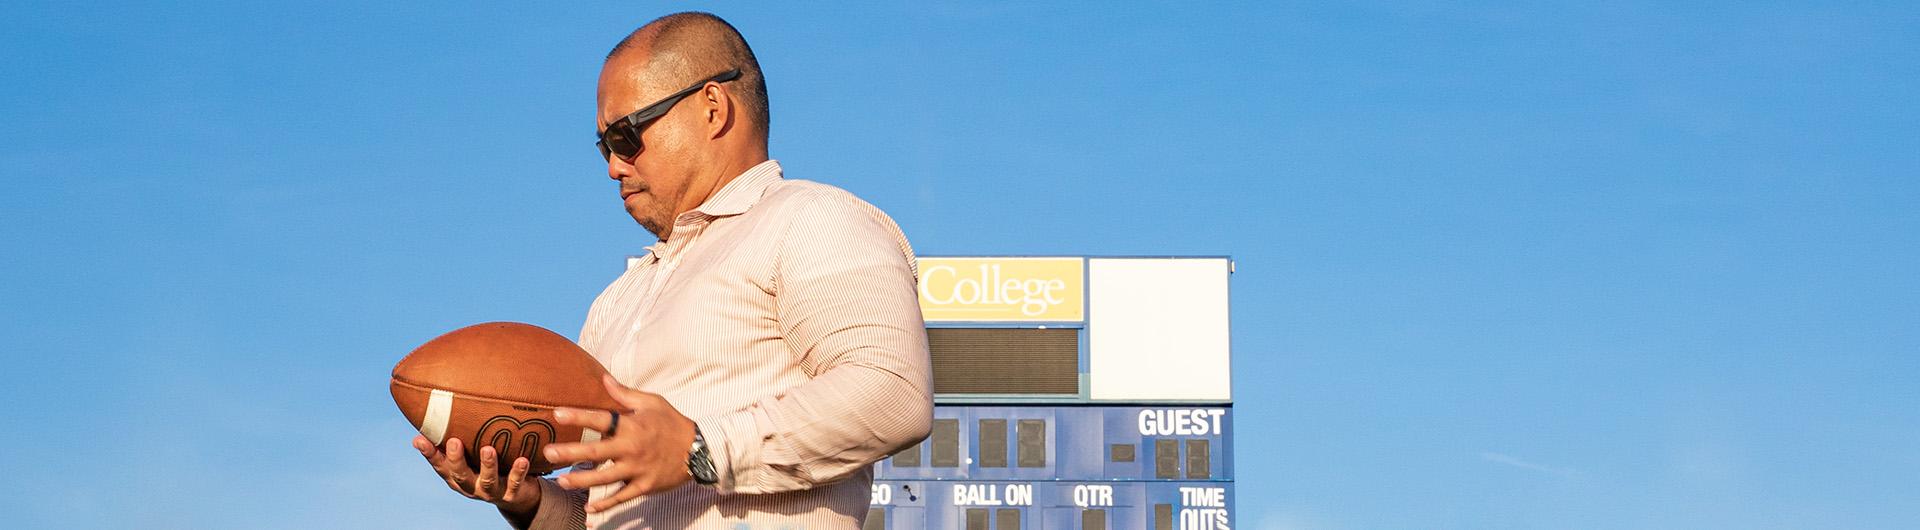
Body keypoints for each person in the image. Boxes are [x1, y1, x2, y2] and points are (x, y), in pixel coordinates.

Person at [408, 11, 933, 530]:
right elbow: (597, 511)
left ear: (712, 107)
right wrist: (526, 501)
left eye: (625, 135)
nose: (614, 166)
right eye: (603, 148)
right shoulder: (617, 301)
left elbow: (892, 394)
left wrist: (701, 451)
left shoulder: (810, 217)